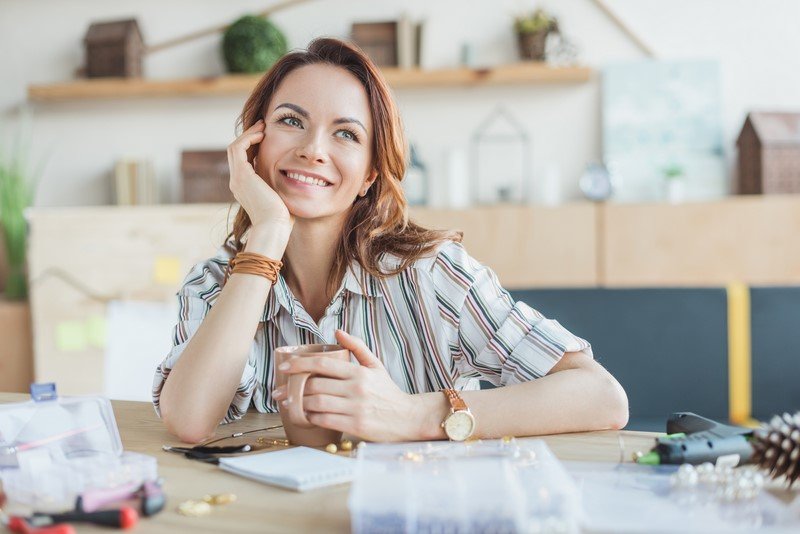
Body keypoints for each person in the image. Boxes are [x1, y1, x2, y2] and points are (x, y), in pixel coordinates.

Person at [153, 37, 628, 445]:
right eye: (291, 121)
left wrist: (409, 415)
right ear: (252, 146)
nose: (313, 149)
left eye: (345, 133)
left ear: (369, 175)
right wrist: (271, 230)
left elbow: (601, 396)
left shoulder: (433, 273)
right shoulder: (216, 283)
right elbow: (189, 421)